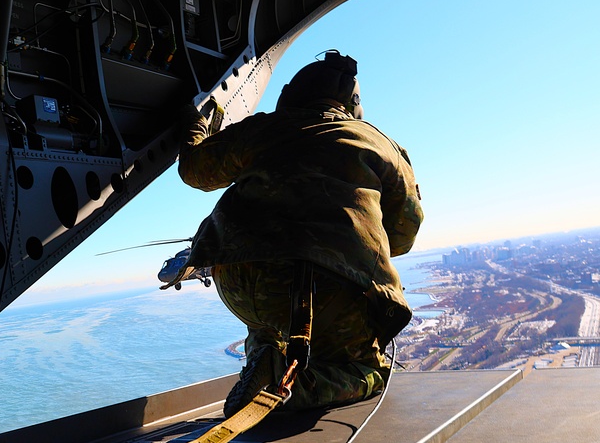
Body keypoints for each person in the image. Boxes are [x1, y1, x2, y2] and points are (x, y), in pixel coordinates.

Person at [168, 51, 423, 416]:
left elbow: (195, 170)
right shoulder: (378, 144)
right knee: (367, 370)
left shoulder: (259, 130)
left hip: (239, 282)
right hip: (328, 288)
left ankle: (266, 356)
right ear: (353, 106)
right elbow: (404, 234)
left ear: (290, 95)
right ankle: (288, 386)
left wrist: (194, 122)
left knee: (266, 325)